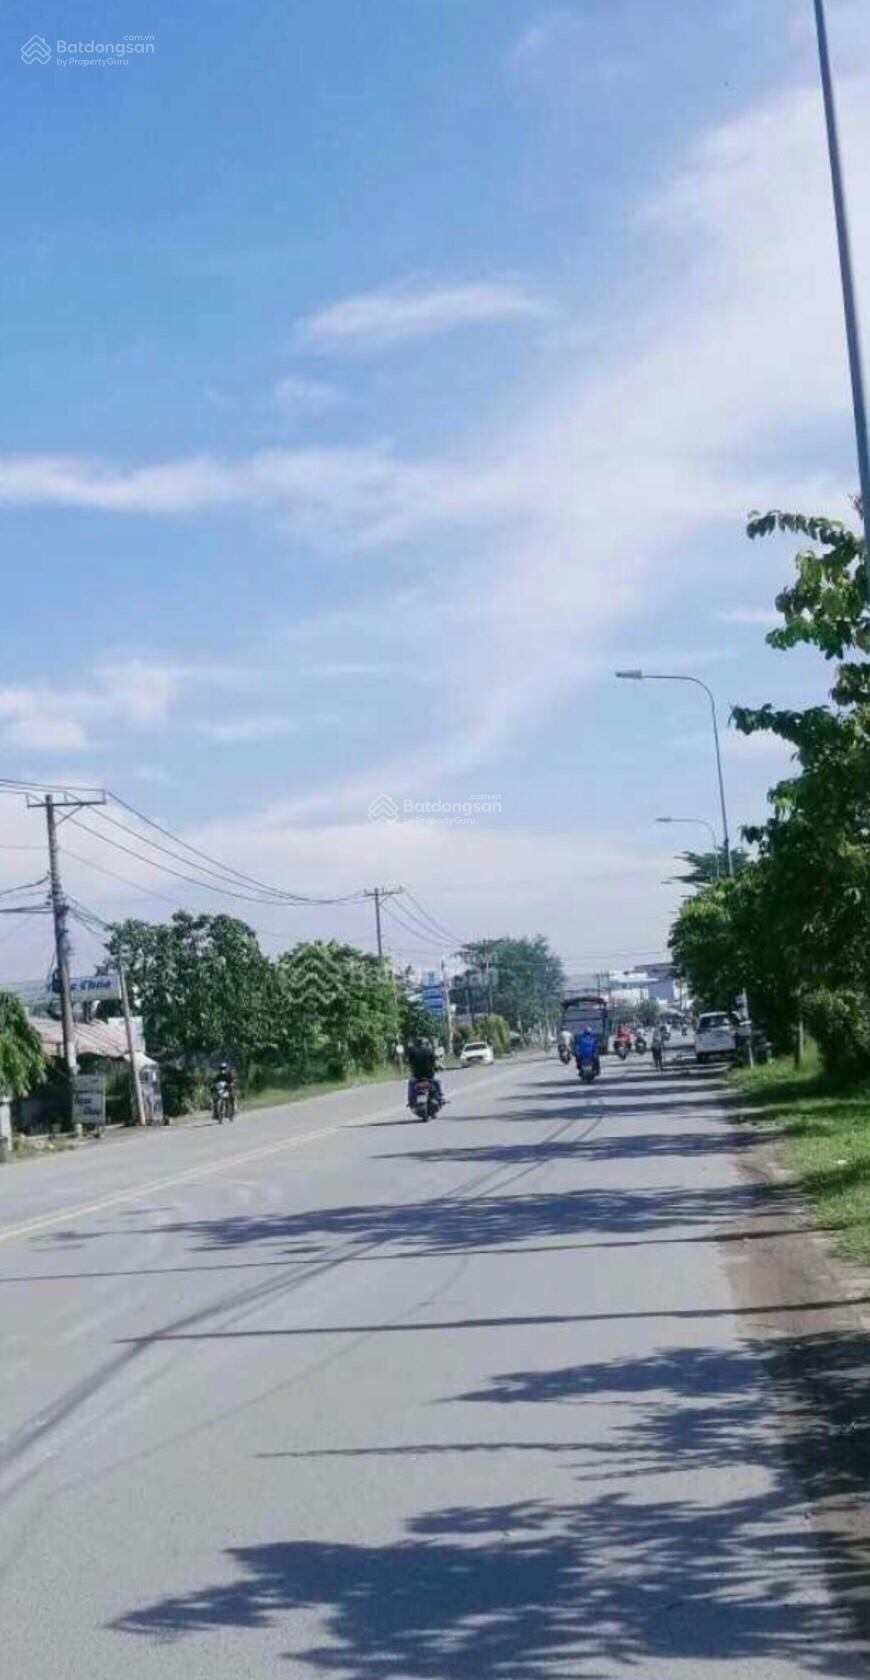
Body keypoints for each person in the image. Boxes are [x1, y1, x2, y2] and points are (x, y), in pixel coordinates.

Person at [407, 1037, 444, 1110]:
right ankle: (441, 1097)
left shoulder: (413, 1051)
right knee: (438, 1081)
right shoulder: (429, 1051)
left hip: (417, 1076)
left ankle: (411, 1100)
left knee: (411, 1084)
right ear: (424, 1043)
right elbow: (434, 1062)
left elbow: (410, 1063)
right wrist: (438, 1067)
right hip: (429, 1076)